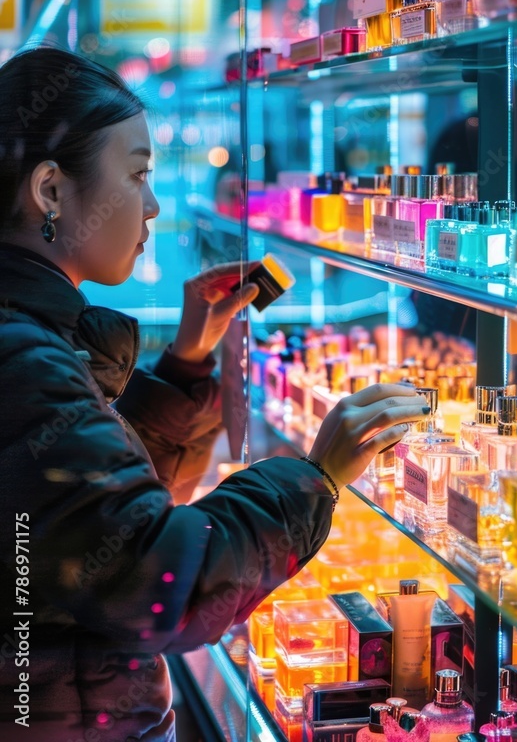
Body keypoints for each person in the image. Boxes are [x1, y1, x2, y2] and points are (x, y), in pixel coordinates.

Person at [0, 47, 430, 742]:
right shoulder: (24, 357)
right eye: (137, 175)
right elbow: (154, 583)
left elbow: (90, 523)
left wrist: (187, 362)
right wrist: (312, 478)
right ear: (50, 192)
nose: (152, 205)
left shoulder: (32, 339)